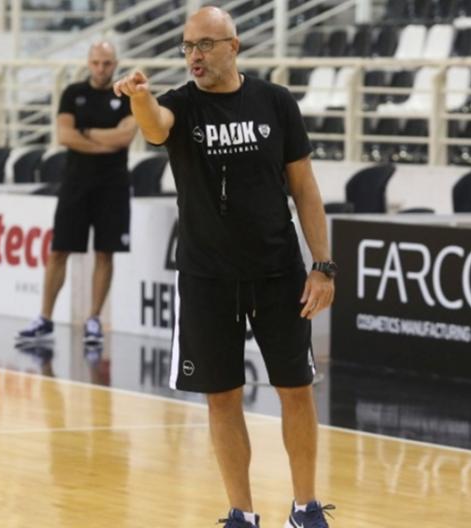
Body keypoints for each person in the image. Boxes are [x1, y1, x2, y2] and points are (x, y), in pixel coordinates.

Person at [114, 7, 336, 528]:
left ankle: (305, 508)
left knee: (296, 390)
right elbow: (155, 128)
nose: (195, 55)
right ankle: (242, 513)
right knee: (222, 398)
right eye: (188, 46)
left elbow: (304, 188)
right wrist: (141, 98)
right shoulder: (179, 104)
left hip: (278, 272)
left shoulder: (275, 102)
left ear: (233, 46)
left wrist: (322, 266)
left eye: (205, 45)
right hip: (206, 277)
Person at [17, 41, 136, 344]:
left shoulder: (126, 96)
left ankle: (93, 319)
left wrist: (87, 133)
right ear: (88, 63)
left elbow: (125, 137)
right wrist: (104, 142)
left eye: (106, 63)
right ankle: (45, 317)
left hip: (113, 185)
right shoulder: (73, 93)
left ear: (115, 64)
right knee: (59, 251)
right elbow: (64, 135)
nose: (101, 69)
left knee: (105, 252)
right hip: (75, 184)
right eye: (96, 63)